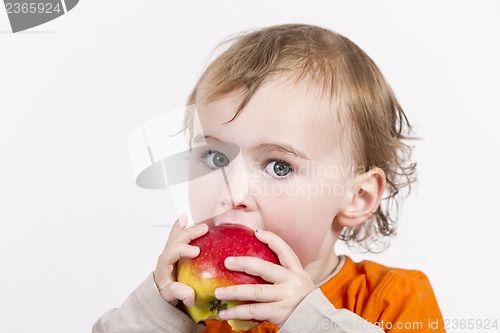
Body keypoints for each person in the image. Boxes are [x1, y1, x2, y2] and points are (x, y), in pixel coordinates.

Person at [93, 24, 445, 332]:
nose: (233, 191)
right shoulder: (193, 304)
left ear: (358, 198)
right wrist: (158, 309)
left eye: (279, 166)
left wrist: (304, 318)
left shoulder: (393, 299)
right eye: (216, 158)